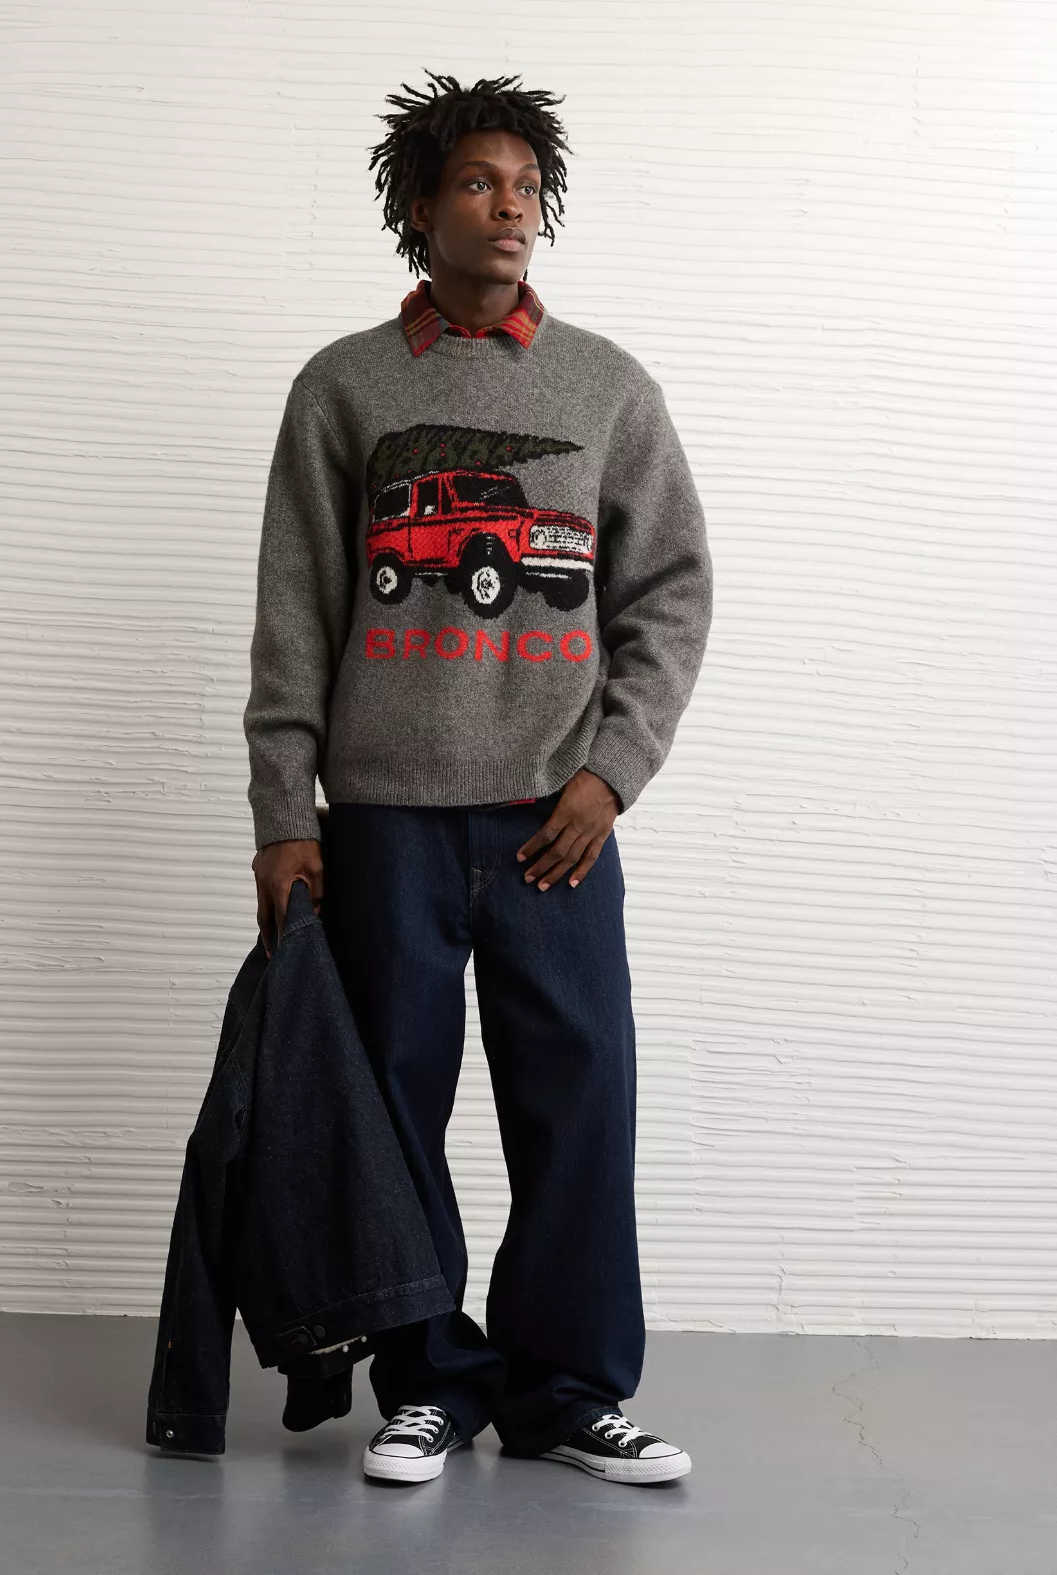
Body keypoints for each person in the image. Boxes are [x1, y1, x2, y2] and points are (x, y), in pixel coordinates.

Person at [242, 71, 713, 1488]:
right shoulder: (343, 386)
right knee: (391, 1106)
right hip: (383, 817)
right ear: (417, 207)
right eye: (476, 183)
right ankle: (429, 1382)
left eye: (525, 187)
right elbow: (295, 611)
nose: (509, 209)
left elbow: (669, 591)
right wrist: (283, 815)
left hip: (553, 820)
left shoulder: (606, 386)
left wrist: (612, 773)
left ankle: (566, 1393)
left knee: (580, 1100)